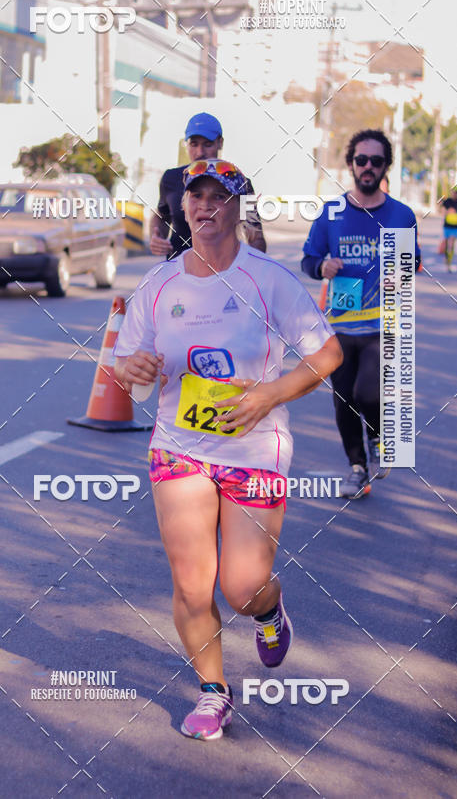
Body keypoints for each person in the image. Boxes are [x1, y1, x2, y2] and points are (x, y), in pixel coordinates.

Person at [114, 159, 342, 740]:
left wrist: (271, 394)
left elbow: (327, 353)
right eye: (197, 197)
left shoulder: (269, 279)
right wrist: (129, 368)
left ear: (240, 207)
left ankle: (268, 609)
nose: (206, 206)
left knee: (240, 587)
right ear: (183, 207)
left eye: (220, 196)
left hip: (254, 450)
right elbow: (127, 364)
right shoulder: (160, 283)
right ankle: (213, 692)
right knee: (192, 584)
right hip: (179, 446)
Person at [301, 129, 421, 498]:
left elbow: (413, 263)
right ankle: (357, 468)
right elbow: (308, 260)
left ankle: (377, 433)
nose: (368, 167)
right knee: (344, 399)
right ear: (351, 164)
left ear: (386, 166)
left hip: (383, 324)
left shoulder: (401, 215)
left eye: (376, 161)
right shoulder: (332, 213)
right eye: (361, 160)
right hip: (339, 325)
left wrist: (397, 270)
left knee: (368, 393)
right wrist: (323, 266)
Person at [149, 112, 266, 258]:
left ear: (220, 143)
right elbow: (162, 215)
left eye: (207, 144)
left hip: (223, 272)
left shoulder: (238, 182)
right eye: (194, 144)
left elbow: (256, 237)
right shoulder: (171, 178)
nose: (200, 152)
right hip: (178, 272)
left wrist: (255, 270)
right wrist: (156, 238)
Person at [440, 190, 457, 272]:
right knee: (447, 244)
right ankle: (446, 257)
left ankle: (449, 263)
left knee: (451, 244)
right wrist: (449, 212)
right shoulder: (447, 201)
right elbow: (442, 212)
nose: (454, 194)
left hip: (454, 227)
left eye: (456, 193)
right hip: (447, 226)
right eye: (453, 193)